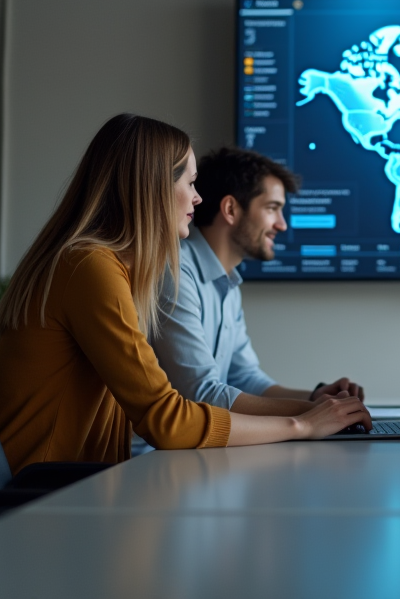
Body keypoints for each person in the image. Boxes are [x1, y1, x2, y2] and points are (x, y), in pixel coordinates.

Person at [0, 114, 370, 474]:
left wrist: (317, 411)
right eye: (189, 183)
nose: (198, 198)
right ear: (151, 188)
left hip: (73, 483)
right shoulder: (90, 268)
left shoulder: (104, 267)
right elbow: (164, 419)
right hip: (40, 495)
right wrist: (302, 423)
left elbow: (227, 383)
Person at [133, 147, 366, 455]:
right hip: (142, 461)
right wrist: (317, 415)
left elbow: (246, 378)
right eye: (272, 208)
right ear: (230, 209)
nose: (282, 224)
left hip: (184, 456)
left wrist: (317, 397)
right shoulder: (174, 268)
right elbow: (200, 393)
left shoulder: (228, 283)